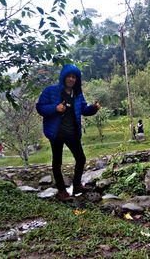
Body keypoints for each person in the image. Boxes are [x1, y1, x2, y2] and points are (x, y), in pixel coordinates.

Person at [36, 64, 100, 202]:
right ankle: (61, 190)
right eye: (69, 76)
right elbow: (40, 108)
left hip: (72, 133)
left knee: (81, 159)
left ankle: (77, 185)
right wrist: (55, 108)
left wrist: (94, 108)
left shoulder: (77, 94)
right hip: (56, 133)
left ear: (77, 79)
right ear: (63, 77)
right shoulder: (50, 91)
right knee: (57, 161)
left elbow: (84, 110)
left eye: (74, 77)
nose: (71, 79)